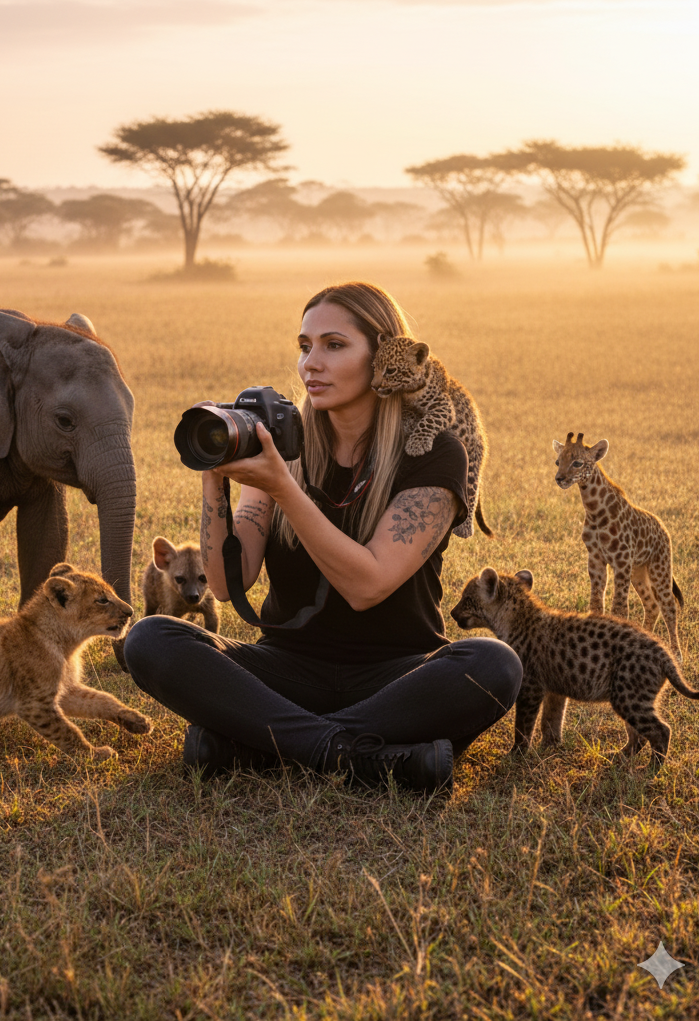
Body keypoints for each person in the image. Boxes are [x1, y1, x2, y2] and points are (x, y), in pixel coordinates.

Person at [123, 282, 522, 795]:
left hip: (397, 677)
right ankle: (370, 758)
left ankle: (257, 748)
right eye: (304, 346)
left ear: (382, 356)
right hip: (286, 670)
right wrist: (214, 475)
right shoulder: (284, 444)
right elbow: (225, 583)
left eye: (334, 345)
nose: (312, 363)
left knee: (493, 664)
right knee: (152, 639)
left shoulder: (435, 451)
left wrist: (283, 488)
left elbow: (368, 584)